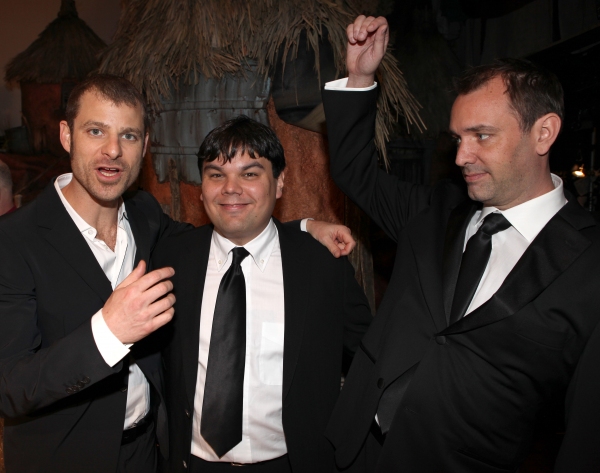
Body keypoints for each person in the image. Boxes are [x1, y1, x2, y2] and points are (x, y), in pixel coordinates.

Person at [0, 74, 356, 473]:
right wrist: (108, 332)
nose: (113, 150)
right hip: (63, 459)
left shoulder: (146, 217)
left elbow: (231, 232)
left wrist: (301, 228)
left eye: (129, 136)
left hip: (150, 454)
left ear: (146, 145)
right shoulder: (13, 241)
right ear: (67, 135)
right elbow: (10, 387)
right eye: (96, 131)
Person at [321, 15, 600, 473]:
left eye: (482, 137)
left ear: (543, 133)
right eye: (457, 138)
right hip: (356, 451)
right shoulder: (436, 212)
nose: (461, 156)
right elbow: (356, 173)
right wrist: (360, 77)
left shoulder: (589, 266)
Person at [151, 116, 372, 473]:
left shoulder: (321, 267)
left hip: (292, 463)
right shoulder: (173, 259)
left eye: (250, 174)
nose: (230, 189)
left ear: (280, 181)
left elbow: (370, 359)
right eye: (216, 174)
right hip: (191, 463)